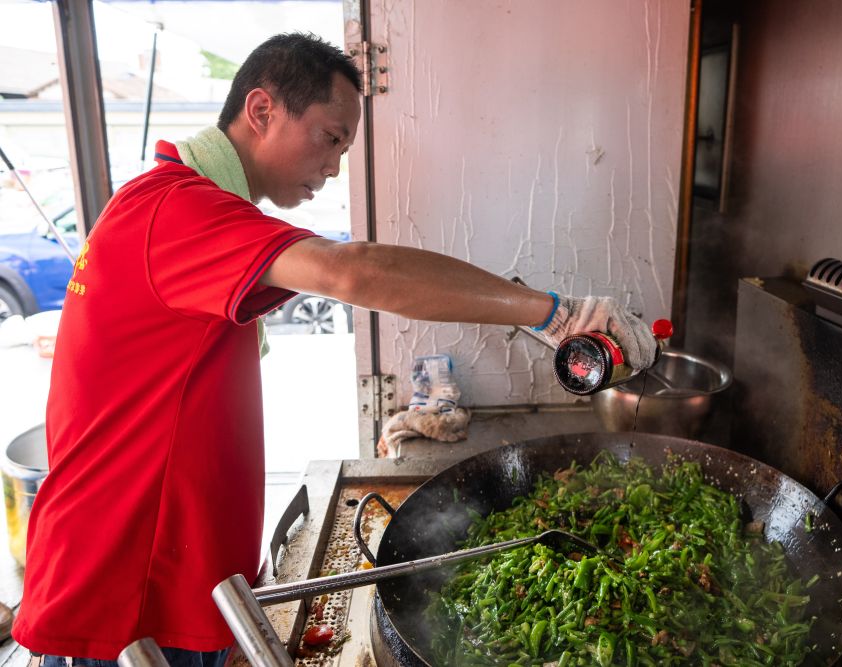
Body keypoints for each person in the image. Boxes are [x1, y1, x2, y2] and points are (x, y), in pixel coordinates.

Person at [13, 33, 658, 666]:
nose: (334, 167)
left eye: (345, 149)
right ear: (262, 110)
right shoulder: (175, 211)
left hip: (176, 578)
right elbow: (354, 272)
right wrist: (553, 314)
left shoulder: (178, 206)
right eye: (330, 138)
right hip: (125, 599)